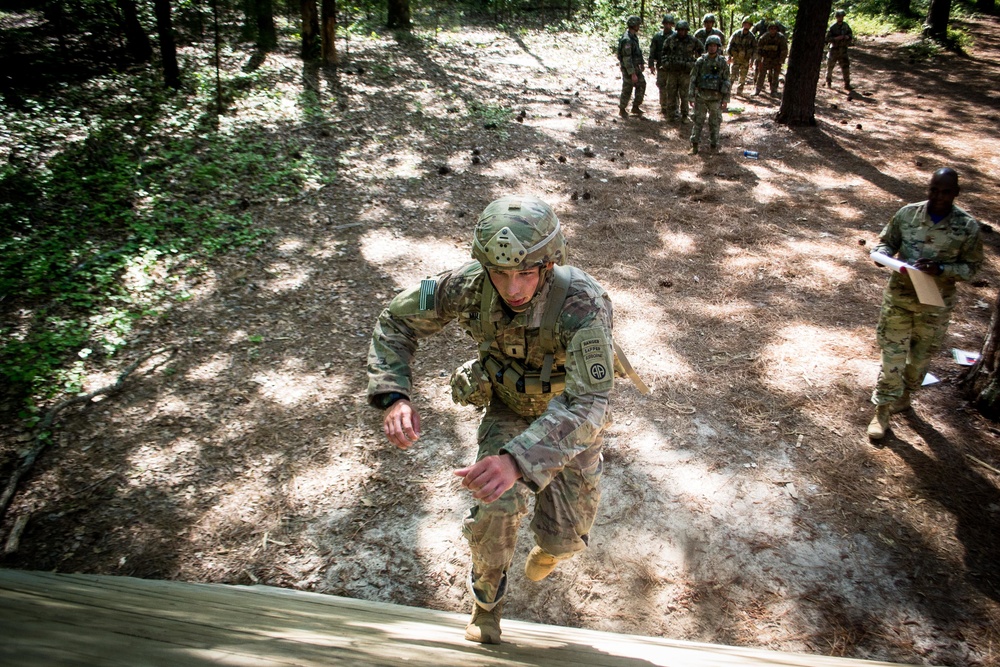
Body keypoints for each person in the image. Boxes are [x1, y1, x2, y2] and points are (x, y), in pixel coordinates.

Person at [368, 195, 616, 643]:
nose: (513, 287)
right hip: (506, 405)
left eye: (524, 272)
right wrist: (394, 396)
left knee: (564, 540)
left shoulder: (582, 303)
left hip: (565, 419)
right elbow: (396, 321)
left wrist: (518, 460)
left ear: (547, 264)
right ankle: (486, 605)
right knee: (494, 507)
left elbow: (588, 404)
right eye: (500, 273)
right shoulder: (466, 286)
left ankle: (551, 548)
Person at [867, 168, 984, 440]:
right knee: (891, 359)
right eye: (934, 190)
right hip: (899, 299)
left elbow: (972, 268)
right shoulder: (908, 214)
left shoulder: (967, 227)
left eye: (945, 191)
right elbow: (886, 243)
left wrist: (941, 269)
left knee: (918, 361)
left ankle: (905, 397)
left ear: (956, 193)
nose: (938, 196)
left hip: (935, 307)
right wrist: (882, 256)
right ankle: (881, 412)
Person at [688, 35, 731, 155]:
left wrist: (726, 99)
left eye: (714, 46)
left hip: (716, 98)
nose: (712, 48)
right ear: (707, 47)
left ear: (718, 47)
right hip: (701, 96)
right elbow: (693, 79)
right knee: (698, 121)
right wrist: (691, 97)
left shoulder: (722, 62)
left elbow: (727, 80)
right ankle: (694, 145)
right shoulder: (700, 61)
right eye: (710, 45)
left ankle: (714, 145)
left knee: (715, 122)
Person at [661, 20, 703, 123]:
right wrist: (666, 64)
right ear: (677, 30)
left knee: (684, 94)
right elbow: (663, 53)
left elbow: (702, 52)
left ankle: (685, 115)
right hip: (672, 71)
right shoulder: (670, 40)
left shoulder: (693, 41)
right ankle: (671, 115)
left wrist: (695, 64)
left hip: (685, 72)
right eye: (680, 30)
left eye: (684, 30)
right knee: (671, 93)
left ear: (687, 30)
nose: (682, 32)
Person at [617, 16, 646, 118]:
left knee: (642, 84)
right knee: (627, 88)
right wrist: (632, 73)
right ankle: (622, 108)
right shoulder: (627, 39)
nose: (639, 26)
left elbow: (638, 52)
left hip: (635, 67)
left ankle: (635, 107)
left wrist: (641, 63)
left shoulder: (633, 37)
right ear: (633, 25)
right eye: (638, 25)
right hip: (629, 69)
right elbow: (627, 58)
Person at [648, 14, 676, 119]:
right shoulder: (657, 37)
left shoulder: (676, 36)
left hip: (674, 67)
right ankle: (664, 107)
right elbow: (652, 51)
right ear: (663, 24)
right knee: (662, 86)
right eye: (666, 23)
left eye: (670, 24)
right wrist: (651, 64)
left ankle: (673, 108)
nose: (668, 26)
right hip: (661, 66)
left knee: (673, 88)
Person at [754, 22, 787, 97]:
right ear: (768, 29)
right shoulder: (764, 37)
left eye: (774, 28)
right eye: (771, 28)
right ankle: (757, 89)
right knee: (761, 74)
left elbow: (784, 50)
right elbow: (758, 49)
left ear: (777, 30)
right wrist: (759, 60)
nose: (773, 30)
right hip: (766, 59)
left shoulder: (781, 38)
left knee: (775, 76)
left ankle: (774, 91)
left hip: (776, 59)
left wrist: (781, 61)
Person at [727, 16, 757, 96]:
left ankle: (739, 92)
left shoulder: (752, 37)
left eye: (749, 24)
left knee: (743, 77)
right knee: (731, 76)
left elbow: (755, 49)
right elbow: (730, 45)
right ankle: (727, 91)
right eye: (745, 24)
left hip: (745, 60)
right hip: (735, 58)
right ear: (743, 24)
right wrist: (729, 57)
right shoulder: (736, 34)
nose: (747, 26)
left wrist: (752, 60)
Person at [826, 9, 854, 89]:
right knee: (830, 66)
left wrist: (848, 37)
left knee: (846, 67)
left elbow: (850, 34)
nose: (840, 18)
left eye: (842, 16)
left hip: (843, 50)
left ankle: (847, 83)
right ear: (836, 17)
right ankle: (828, 82)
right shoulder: (832, 27)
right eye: (839, 16)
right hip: (834, 50)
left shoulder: (846, 25)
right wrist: (836, 38)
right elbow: (827, 38)